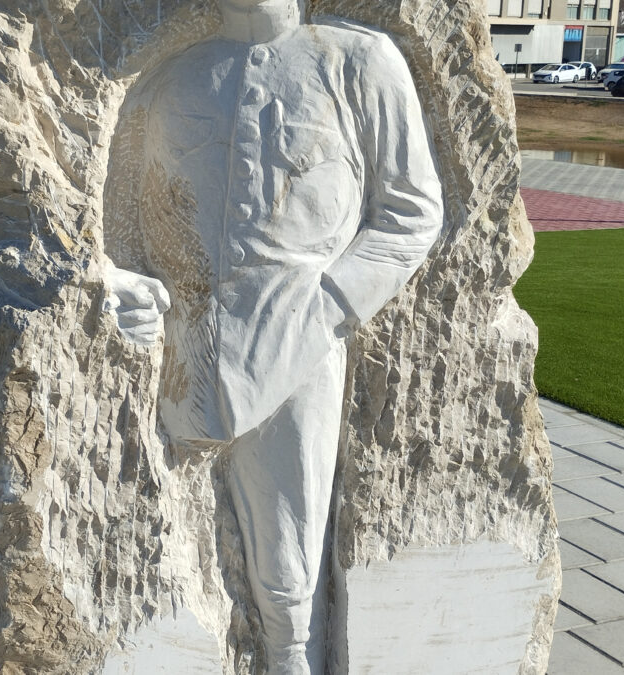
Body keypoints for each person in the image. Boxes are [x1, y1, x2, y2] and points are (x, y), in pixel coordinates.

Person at [103, 1, 444, 671]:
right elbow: (119, 216)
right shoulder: (171, 76)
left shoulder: (359, 63)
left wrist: (328, 307)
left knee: (289, 564)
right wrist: (124, 286)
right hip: (186, 349)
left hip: (304, 340)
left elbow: (411, 209)